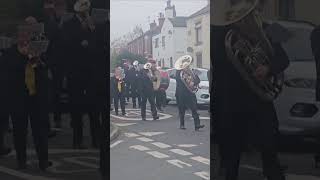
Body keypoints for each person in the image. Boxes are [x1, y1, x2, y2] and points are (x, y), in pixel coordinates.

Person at [211, 0, 289, 179]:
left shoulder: (267, 27)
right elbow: (218, 62)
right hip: (230, 103)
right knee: (230, 160)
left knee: (270, 151)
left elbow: (284, 59)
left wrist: (268, 69)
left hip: (259, 102)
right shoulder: (218, 31)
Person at [3, 20, 52, 170]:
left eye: (28, 35)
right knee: (19, 131)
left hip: (36, 97)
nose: (25, 38)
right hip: (18, 97)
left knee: (40, 130)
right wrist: (23, 58)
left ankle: (43, 160)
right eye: (22, 35)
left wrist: (35, 60)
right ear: (17, 37)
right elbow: (7, 75)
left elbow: (45, 74)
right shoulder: (9, 53)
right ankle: (21, 160)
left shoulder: (37, 52)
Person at [63, 0, 99, 149]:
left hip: (91, 73)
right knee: (76, 109)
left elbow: (99, 45)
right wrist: (81, 36)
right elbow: (66, 46)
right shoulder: (68, 25)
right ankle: (77, 141)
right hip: (75, 72)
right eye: (83, 12)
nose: (85, 13)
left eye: (87, 11)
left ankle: (96, 140)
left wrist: (92, 29)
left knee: (94, 108)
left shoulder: (94, 24)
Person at [44, 0, 68, 129]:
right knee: (55, 91)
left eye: (63, 9)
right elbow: (48, 41)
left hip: (66, 61)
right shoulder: (50, 22)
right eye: (59, 9)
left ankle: (72, 120)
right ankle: (56, 119)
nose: (61, 11)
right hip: (54, 62)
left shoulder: (67, 23)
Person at [175, 55, 205, 131]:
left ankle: (197, 125)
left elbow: (197, 80)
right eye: (186, 67)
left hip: (190, 93)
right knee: (182, 109)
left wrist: (193, 82)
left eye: (188, 66)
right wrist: (182, 72)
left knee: (194, 108)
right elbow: (178, 80)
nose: (188, 68)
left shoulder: (192, 72)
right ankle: (182, 124)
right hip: (181, 93)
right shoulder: (179, 73)